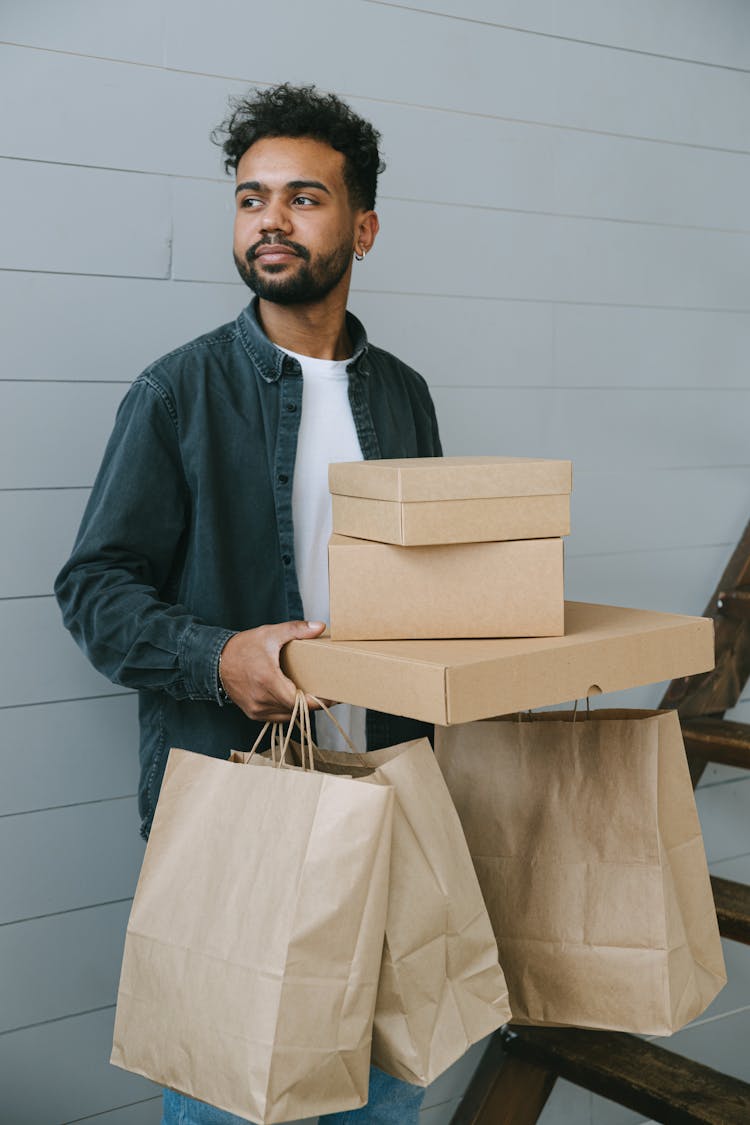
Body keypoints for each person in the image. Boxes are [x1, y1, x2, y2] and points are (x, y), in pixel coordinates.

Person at [55, 84, 442, 1124]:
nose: (269, 219)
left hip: (393, 796)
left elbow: (437, 582)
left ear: (361, 225)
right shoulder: (176, 392)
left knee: (384, 1094)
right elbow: (93, 589)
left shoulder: (404, 395)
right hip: (242, 804)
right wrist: (218, 655)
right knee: (238, 1100)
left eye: (303, 197)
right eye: (249, 198)